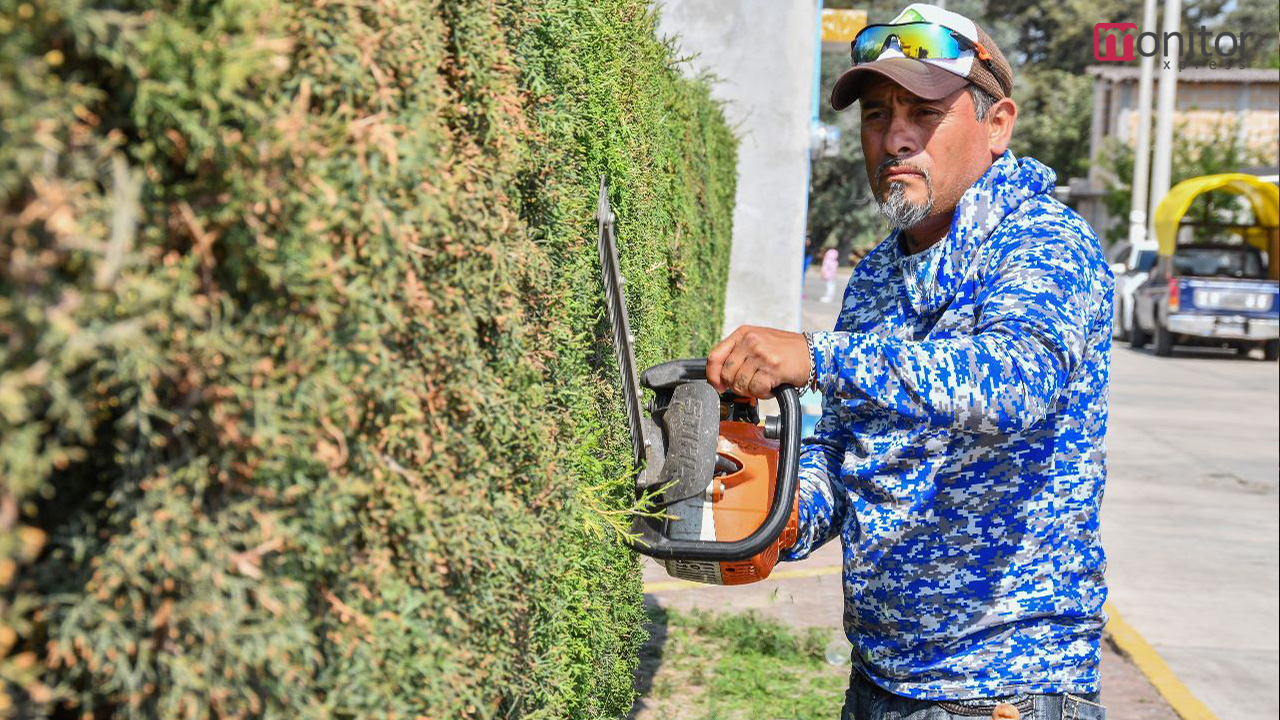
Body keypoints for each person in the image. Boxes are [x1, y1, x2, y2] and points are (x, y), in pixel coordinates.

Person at [704, 4, 1113, 719]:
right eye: (875, 114)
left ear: (997, 125)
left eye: (924, 112)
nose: (894, 137)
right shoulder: (876, 277)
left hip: (1002, 689)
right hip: (883, 683)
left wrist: (815, 354)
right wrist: (774, 513)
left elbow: (1015, 381)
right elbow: (842, 455)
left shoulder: (1044, 242)